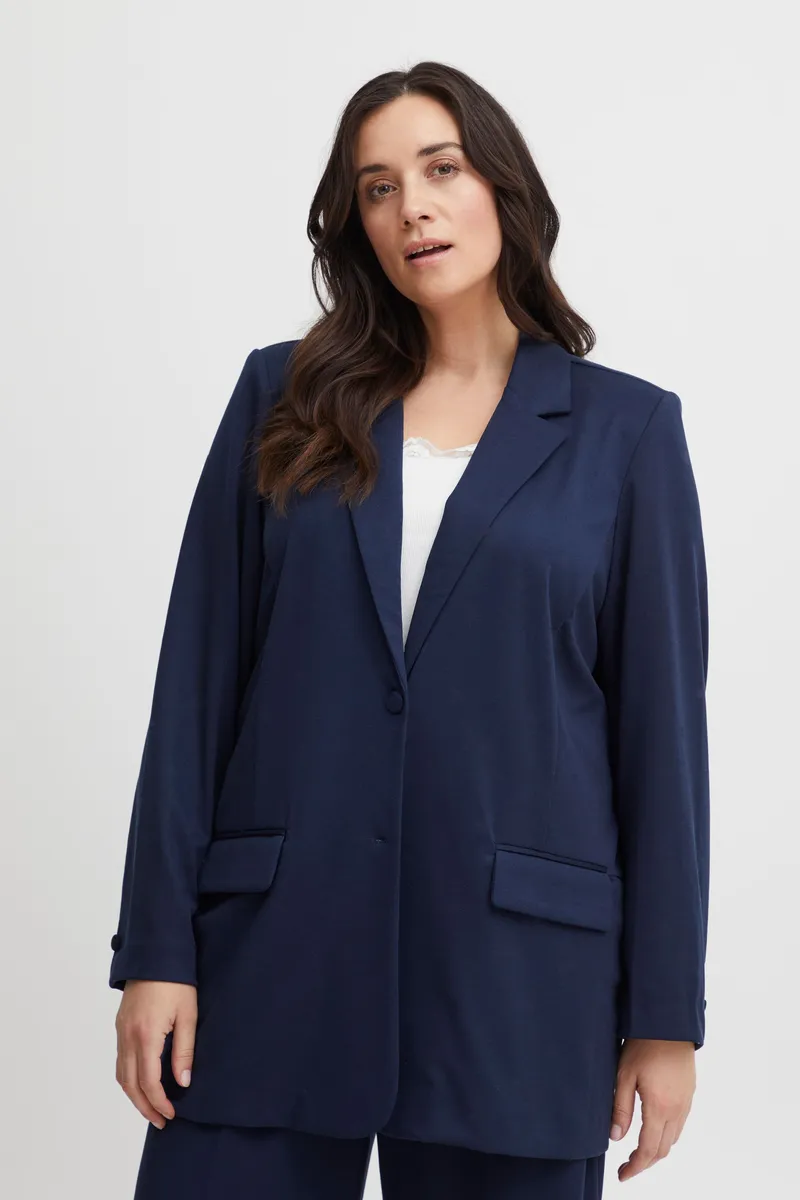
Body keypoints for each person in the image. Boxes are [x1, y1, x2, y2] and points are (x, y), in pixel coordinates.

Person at [110, 61, 710, 1200]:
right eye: (378, 188)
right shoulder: (282, 397)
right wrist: (155, 952)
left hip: (520, 984)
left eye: (441, 169)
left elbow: (659, 744)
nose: (411, 209)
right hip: (268, 963)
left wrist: (665, 1017)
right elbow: (194, 690)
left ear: (503, 187)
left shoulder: (626, 432)